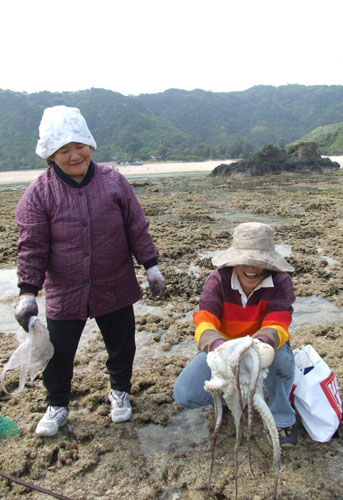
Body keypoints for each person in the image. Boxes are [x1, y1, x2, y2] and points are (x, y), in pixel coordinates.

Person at [14, 105, 166, 437]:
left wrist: (151, 265)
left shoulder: (114, 182)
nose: (74, 155)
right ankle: (57, 404)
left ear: (90, 145)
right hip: (65, 291)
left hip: (115, 283)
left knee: (122, 345)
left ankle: (120, 392)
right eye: (63, 150)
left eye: (78, 146)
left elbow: (136, 227)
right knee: (57, 353)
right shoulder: (39, 193)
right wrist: (27, 293)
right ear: (50, 156)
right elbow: (32, 246)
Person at [173, 221, 297, 446]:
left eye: (258, 263)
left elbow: (279, 322)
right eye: (245, 261)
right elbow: (204, 319)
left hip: (264, 346)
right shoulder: (218, 279)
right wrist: (218, 346)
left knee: (282, 362)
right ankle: (233, 398)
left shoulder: (281, 282)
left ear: (268, 263)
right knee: (185, 393)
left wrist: (259, 346)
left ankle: (281, 417)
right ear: (234, 260)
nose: (251, 268)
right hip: (224, 347)